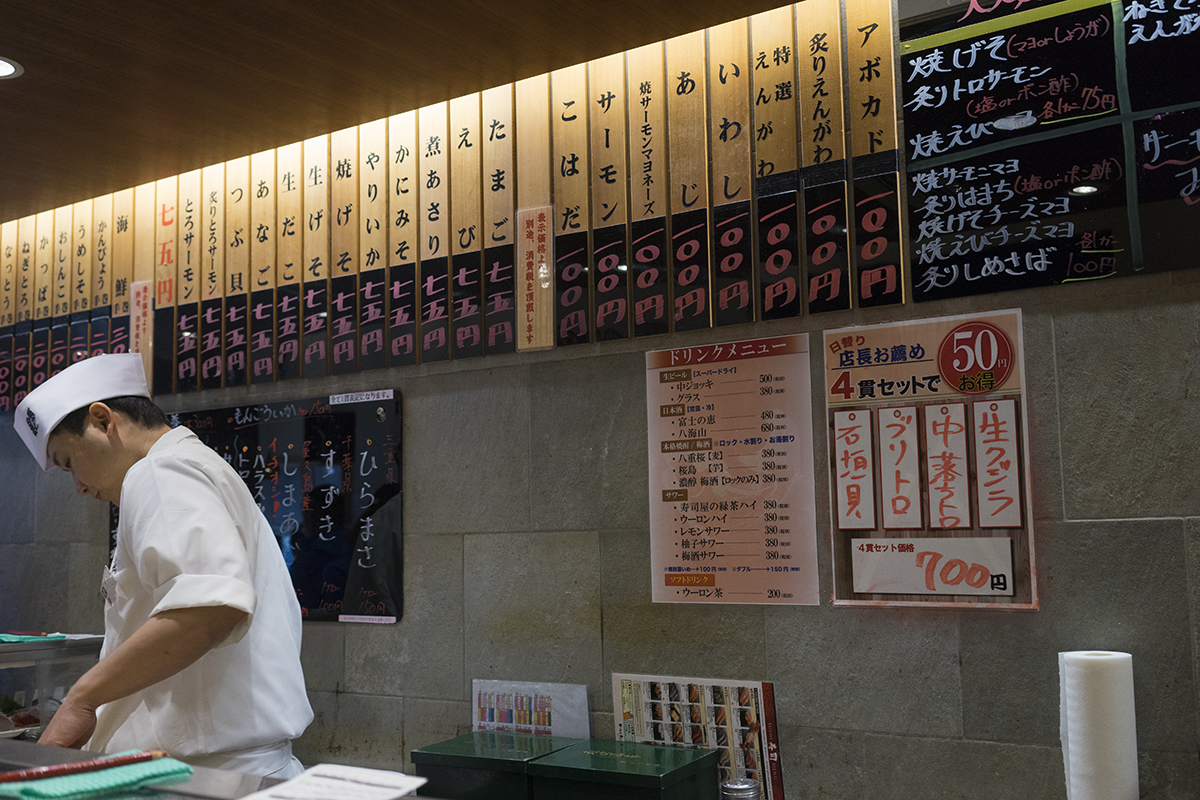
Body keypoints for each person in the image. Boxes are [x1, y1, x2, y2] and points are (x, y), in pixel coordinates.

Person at [13, 353, 313, 778]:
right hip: (218, 771)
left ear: (102, 420)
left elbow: (208, 607)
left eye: (68, 462)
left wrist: (81, 698)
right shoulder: (189, 463)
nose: (78, 486)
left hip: (202, 775)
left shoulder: (159, 470)